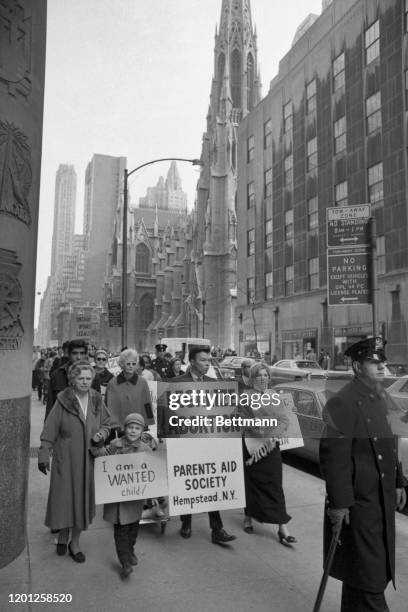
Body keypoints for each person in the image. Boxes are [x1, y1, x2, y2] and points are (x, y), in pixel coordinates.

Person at [319, 337, 406, 611]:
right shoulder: (342, 401)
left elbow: (391, 443)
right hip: (357, 505)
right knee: (369, 576)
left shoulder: (381, 395)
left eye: (383, 361)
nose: (381, 367)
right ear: (357, 366)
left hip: (380, 500)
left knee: (364, 573)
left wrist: (399, 482)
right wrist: (339, 504)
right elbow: (334, 458)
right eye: (373, 362)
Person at [38, 361, 112, 562]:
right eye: (81, 378)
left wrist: (102, 434)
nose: (85, 382)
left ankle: (75, 542)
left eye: (89, 378)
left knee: (82, 501)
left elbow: (107, 423)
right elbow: (50, 429)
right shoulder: (63, 400)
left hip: (88, 459)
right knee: (64, 500)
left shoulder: (96, 399)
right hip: (65, 460)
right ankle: (63, 534)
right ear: (72, 379)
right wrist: (44, 454)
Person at [168, 345, 236, 545]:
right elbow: (169, 415)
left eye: (209, 360)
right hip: (185, 444)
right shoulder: (175, 383)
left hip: (208, 443)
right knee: (189, 482)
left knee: (210, 482)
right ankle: (186, 522)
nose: (207, 364)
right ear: (192, 361)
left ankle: (217, 529)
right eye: (203, 360)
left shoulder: (214, 383)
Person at [238, 362, 296, 545]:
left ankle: (282, 527)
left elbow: (284, 419)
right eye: (259, 375)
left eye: (265, 375)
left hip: (271, 447)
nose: (263, 378)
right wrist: (266, 427)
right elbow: (244, 422)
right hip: (252, 447)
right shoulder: (246, 397)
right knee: (251, 484)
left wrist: (273, 431)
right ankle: (248, 516)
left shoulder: (274, 396)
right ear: (253, 378)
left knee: (275, 486)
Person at [90, 412, 151, 579]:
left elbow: (151, 471)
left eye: (137, 428)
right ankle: (125, 562)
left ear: (141, 431)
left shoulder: (145, 449)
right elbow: (103, 456)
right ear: (125, 429)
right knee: (121, 532)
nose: (133, 431)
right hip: (118, 500)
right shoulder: (115, 445)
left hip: (134, 499)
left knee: (133, 530)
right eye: (130, 427)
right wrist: (96, 447)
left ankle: (130, 551)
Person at [45, 339, 100, 421]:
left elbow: (97, 406)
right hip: (61, 424)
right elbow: (50, 405)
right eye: (75, 353)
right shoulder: (57, 375)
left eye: (82, 353)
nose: (78, 357)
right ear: (69, 354)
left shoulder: (94, 376)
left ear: (86, 355)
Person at [105, 348, 154, 429]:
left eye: (134, 364)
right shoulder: (112, 383)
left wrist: (147, 423)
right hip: (117, 429)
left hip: (137, 426)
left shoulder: (143, 382)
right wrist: (112, 425)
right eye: (128, 364)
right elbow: (108, 407)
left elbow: (147, 404)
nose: (131, 366)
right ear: (122, 364)